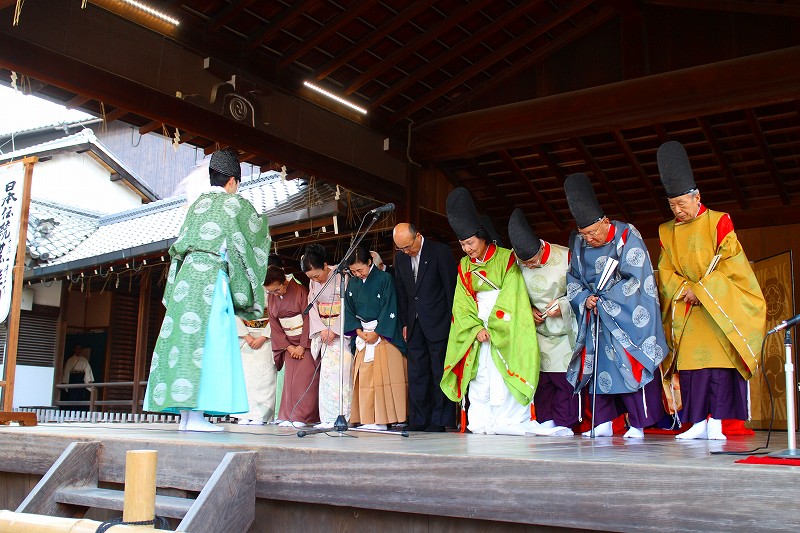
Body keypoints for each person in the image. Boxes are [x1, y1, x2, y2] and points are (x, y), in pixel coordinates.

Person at [143, 148, 271, 432]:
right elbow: (257, 236)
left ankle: (187, 418)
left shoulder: (197, 205)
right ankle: (198, 416)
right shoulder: (234, 204)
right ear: (233, 182)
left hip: (185, 281)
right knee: (209, 344)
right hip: (211, 279)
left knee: (184, 343)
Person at [656, 141, 766, 440]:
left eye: (682, 203)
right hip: (688, 308)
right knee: (692, 371)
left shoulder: (719, 221)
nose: (677, 210)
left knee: (719, 368)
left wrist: (703, 290)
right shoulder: (666, 231)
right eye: (672, 205)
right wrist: (684, 289)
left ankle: (718, 422)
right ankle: (697, 423)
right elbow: (665, 270)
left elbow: (732, 263)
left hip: (718, 307)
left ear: (697, 197)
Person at [564, 173, 667, 438]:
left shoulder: (626, 234)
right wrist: (584, 300)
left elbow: (638, 277)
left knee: (629, 363)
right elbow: (573, 278)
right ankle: (603, 422)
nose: (588, 239)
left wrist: (607, 300)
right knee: (598, 366)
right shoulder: (577, 242)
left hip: (625, 316)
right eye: (583, 234)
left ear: (605, 222)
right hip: (595, 315)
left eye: (592, 233)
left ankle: (639, 423)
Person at [441, 188, 540, 436]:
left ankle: (508, 421)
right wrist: (475, 328)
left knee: (502, 374)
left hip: (504, 325)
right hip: (478, 328)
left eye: (470, 243)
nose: (466, 249)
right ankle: (481, 421)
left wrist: (494, 327)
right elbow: (461, 303)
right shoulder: (464, 265)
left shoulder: (507, 259)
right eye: (462, 244)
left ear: (482, 237)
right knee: (480, 375)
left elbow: (512, 297)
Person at [508, 208, 579, 437]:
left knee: (562, 378)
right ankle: (545, 419)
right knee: (542, 379)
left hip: (563, 327)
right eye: (524, 263)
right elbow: (510, 293)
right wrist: (526, 310)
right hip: (536, 328)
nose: (528, 266)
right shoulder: (515, 262)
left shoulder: (565, 256)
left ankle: (564, 422)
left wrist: (564, 306)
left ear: (540, 248)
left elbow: (579, 290)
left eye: (532, 261)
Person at [392, 222, 457, 432]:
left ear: (418, 235)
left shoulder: (440, 252)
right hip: (413, 323)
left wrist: (453, 321)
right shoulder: (401, 257)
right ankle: (419, 419)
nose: (405, 252)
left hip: (439, 321)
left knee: (439, 371)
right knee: (417, 373)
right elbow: (401, 293)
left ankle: (439, 419)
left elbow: (451, 288)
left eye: (408, 247)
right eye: (400, 248)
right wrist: (403, 322)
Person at [343, 244, 407, 431]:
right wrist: (359, 332)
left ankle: (383, 420)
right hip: (363, 334)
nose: (357, 274)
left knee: (383, 378)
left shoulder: (385, 278)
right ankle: (367, 419)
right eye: (353, 271)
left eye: (360, 270)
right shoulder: (353, 283)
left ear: (370, 262)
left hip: (382, 335)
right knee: (364, 379)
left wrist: (378, 332)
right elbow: (349, 309)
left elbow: (390, 306)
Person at [301, 243, 353, 429]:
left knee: (343, 376)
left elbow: (348, 305)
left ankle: (345, 416)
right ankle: (328, 418)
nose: (315, 279)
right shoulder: (313, 282)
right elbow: (312, 307)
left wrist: (336, 329)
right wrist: (322, 329)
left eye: (317, 274)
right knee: (326, 378)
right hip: (325, 333)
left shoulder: (342, 276)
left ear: (325, 265)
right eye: (311, 277)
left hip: (341, 333)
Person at [266, 265, 320, 428]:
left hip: (305, 343)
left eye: (277, 290)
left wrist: (302, 346)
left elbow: (309, 319)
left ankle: (303, 416)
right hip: (288, 344)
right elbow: (274, 325)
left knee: (304, 381)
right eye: (271, 292)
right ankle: (287, 415)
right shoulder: (272, 298)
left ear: (285, 282)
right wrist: (288, 347)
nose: (275, 294)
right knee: (289, 382)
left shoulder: (301, 291)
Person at [232, 278, 277, 426]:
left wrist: (264, 336)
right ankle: (244, 414)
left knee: (265, 378)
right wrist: (246, 335)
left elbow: (276, 312)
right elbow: (234, 312)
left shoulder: (270, 287)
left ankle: (262, 415)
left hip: (265, 337)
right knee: (246, 378)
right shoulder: (241, 286)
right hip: (246, 338)